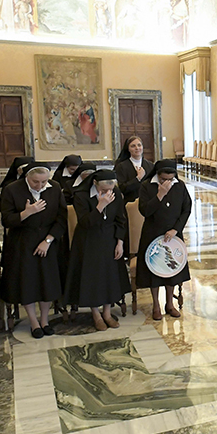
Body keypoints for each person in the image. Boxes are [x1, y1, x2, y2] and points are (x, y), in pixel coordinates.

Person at [0, 162, 67, 339]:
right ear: (27, 177)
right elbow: (6, 220)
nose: (40, 185)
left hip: (48, 241)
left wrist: (48, 240)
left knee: (47, 283)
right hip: (22, 242)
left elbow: (61, 218)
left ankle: (44, 320)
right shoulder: (12, 190)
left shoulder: (54, 188)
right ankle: (33, 322)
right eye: (36, 182)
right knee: (27, 283)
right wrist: (26, 213)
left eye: (44, 182)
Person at [64, 169, 130, 332]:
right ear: (94, 184)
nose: (108, 193)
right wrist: (100, 205)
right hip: (88, 240)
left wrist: (120, 242)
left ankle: (107, 313)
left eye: (111, 189)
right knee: (92, 278)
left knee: (108, 277)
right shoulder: (81, 196)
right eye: (104, 190)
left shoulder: (116, 193)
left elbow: (121, 219)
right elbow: (85, 222)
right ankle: (96, 315)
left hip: (109, 239)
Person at [137, 160, 192, 321]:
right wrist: (160, 195)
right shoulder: (147, 186)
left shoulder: (180, 186)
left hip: (173, 235)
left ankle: (169, 304)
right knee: (154, 270)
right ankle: (156, 305)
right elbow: (145, 210)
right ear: (157, 175)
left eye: (170, 178)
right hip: (152, 233)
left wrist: (176, 229)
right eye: (163, 179)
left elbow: (186, 208)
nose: (167, 182)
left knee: (171, 271)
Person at [114, 136, 153, 203]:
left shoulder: (150, 165)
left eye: (139, 145)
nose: (137, 148)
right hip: (129, 202)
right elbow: (122, 188)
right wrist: (137, 179)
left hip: (148, 202)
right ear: (128, 149)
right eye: (133, 146)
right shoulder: (121, 166)